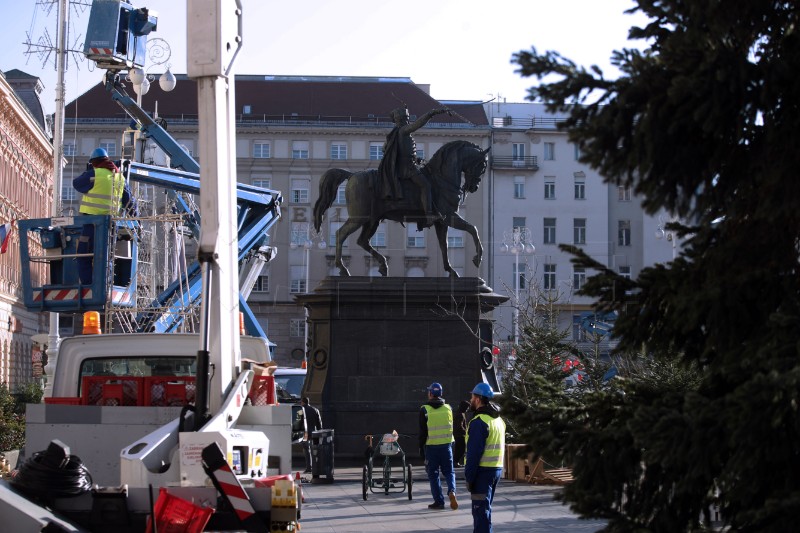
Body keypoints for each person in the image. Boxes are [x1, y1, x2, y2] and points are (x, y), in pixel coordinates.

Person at [73, 147, 138, 285]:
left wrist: (88, 172)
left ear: (94, 162)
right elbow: (130, 201)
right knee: (106, 256)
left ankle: (88, 285)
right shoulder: (120, 177)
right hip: (111, 225)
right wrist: (136, 221)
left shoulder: (94, 174)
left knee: (83, 255)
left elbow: (76, 184)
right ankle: (105, 285)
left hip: (92, 223)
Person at [378, 105, 450, 227]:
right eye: (406, 118)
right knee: (426, 185)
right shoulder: (403, 130)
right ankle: (429, 215)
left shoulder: (396, 133)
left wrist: (416, 159)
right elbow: (418, 124)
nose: (408, 120)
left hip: (410, 164)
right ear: (402, 119)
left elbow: (396, 151)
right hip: (407, 169)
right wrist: (432, 112)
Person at [464, 383, 506, 533]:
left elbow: (474, 454)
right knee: (485, 509)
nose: (470, 399)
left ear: (478, 398)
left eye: (472, 396)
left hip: (482, 472)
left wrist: (469, 477)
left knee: (480, 512)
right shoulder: (499, 421)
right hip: (496, 469)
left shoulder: (479, 422)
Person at [419, 382, 458, 510]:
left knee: (433, 474)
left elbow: (423, 432)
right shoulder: (448, 408)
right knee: (449, 471)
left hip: (431, 447)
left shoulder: (424, 409)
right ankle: (452, 490)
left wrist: (421, 448)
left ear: (431, 394)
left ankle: (439, 501)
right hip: (447, 446)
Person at [300, 396, 322, 473]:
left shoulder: (300, 411)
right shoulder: (315, 410)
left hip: (305, 433)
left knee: (306, 450)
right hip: (314, 432)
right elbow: (319, 423)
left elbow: (298, 422)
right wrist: (319, 432)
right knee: (315, 449)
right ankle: (316, 467)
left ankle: (309, 467)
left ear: (303, 402)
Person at [453, 399, 470, 467]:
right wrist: (466, 432)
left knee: (458, 449)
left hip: (457, 435)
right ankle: (455, 462)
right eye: (467, 407)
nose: (468, 409)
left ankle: (455, 462)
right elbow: (459, 426)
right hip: (460, 435)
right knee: (461, 449)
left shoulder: (459, 413)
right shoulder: (461, 414)